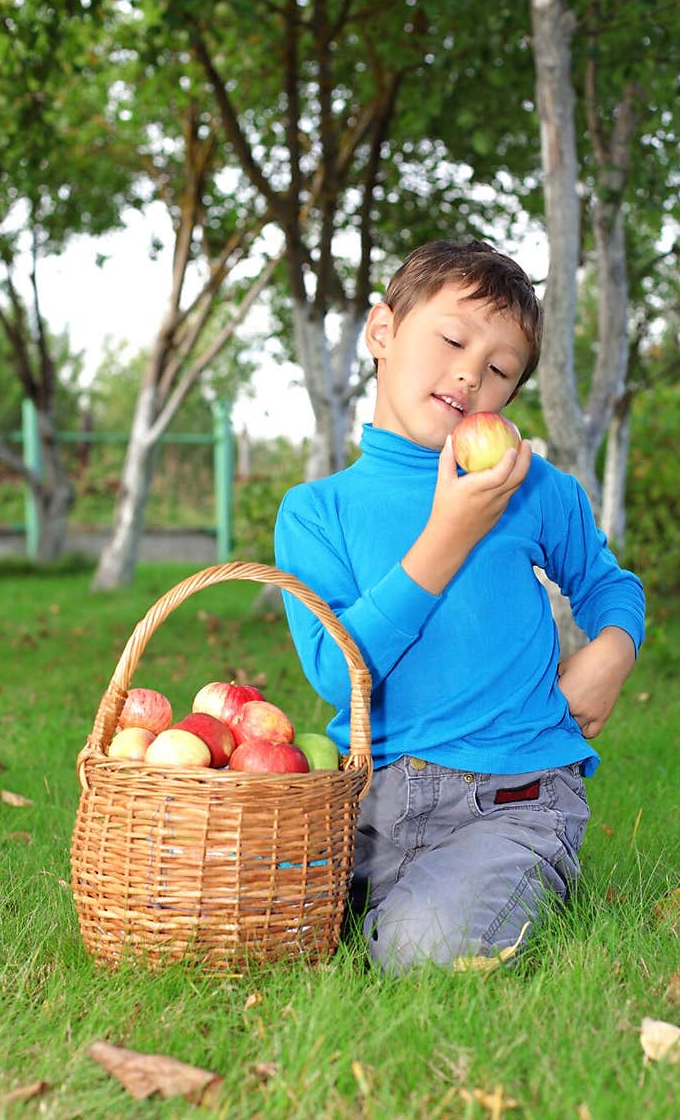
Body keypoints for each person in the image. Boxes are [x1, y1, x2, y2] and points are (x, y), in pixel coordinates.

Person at [274, 239, 645, 975]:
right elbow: (332, 669)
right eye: (451, 338)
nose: (471, 371)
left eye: (500, 368)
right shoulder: (317, 511)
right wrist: (449, 534)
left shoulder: (526, 485)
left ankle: (511, 878)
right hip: (368, 806)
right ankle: (409, 900)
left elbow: (610, 585)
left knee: (416, 951)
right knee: (249, 910)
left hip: (510, 802)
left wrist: (612, 652)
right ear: (382, 332)